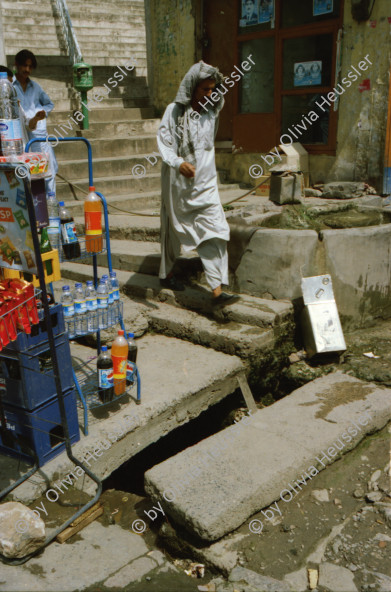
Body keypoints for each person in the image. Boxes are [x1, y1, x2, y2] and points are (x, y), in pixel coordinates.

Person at [157, 60, 239, 305]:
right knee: (171, 228)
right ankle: (166, 273)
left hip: (206, 183)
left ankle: (216, 290)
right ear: (192, 88)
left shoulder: (212, 112)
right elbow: (165, 142)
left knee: (215, 230)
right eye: (204, 90)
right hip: (178, 181)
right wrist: (178, 163)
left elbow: (207, 146)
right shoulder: (174, 111)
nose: (209, 94)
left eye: (213, 89)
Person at [12, 49, 58, 194]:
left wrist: (42, 114)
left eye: (30, 67)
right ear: (17, 65)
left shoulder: (36, 87)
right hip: (20, 137)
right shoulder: (10, 87)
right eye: (24, 66)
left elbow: (49, 104)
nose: (27, 70)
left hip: (38, 136)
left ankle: (51, 208)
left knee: (48, 171)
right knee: (26, 174)